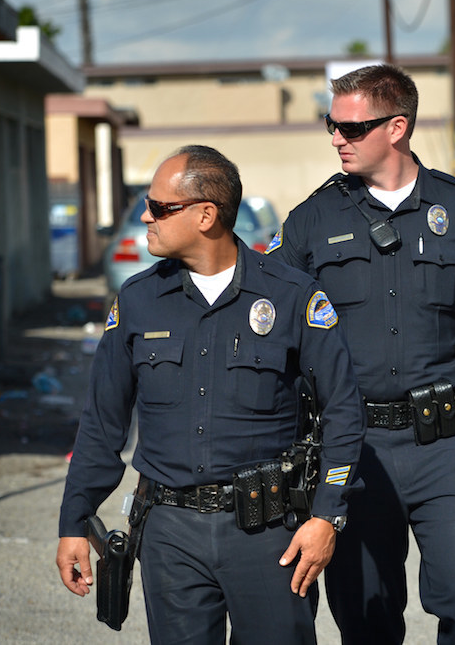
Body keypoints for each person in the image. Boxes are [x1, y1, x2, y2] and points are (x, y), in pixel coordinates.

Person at [267, 63, 455, 644]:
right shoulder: (311, 221)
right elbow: (274, 339)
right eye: (331, 125)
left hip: (447, 444)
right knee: (367, 618)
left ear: (397, 127)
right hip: (353, 450)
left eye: (352, 128)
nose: (337, 138)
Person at [56, 145, 365, 644]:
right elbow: (101, 424)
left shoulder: (291, 296)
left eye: (159, 207)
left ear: (206, 215)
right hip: (169, 534)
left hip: (268, 536)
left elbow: (345, 414)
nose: (145, 217)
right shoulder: (137, 302)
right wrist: (74, 521)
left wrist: (328, 514)